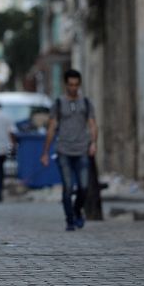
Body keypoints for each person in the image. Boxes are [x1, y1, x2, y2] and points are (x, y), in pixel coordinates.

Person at [40, 69, 98, 231]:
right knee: (67, 187)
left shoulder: (86, 103)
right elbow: (51, 128)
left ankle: (78, 210)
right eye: (70, 84)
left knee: (84, 187)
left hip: (82, 150)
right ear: (66, 84)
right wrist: (45, 152)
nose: (73, 87)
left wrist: (94, 143)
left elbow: (92, 125)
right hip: (64, 150)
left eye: (76, 85)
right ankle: (70, 220)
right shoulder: (58, 104)